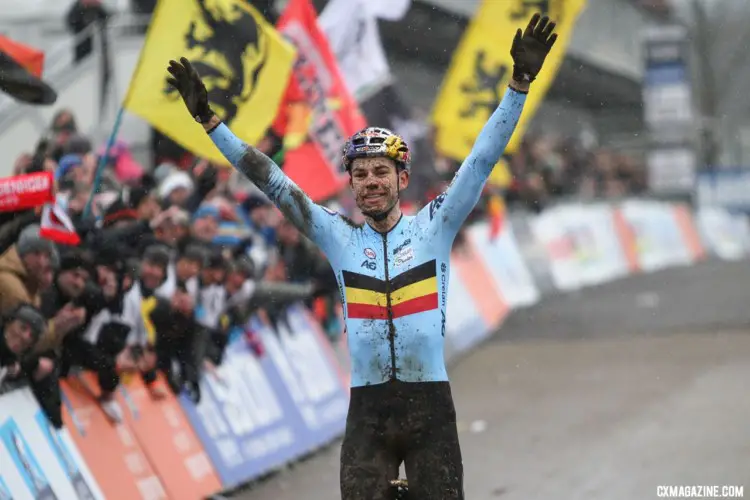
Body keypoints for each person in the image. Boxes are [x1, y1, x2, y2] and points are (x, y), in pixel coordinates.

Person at [166, 13, 558, 499]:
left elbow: (481, 157)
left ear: (401, 178)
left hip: (428, 406)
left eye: (380, 172)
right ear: (350, 184)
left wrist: (519, 85)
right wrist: (210, 122)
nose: (371, 182)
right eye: (361, 175)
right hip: (368, 412)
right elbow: (270, 179)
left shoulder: (435, 225)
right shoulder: (339, 238)